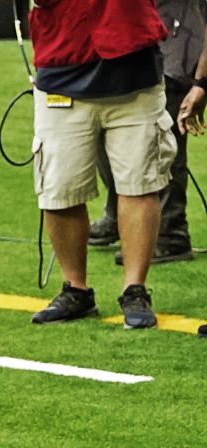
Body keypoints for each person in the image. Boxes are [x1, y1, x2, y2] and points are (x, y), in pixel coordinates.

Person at [29, 0, 175, 329]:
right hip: (61, 63)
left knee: (139, 183)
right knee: (60, 188)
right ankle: (75, 289)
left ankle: (134, 289)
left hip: (133, 70)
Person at [90, 0, 203, 265]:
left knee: (161, 146)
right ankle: (120, 214)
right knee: (103, 132)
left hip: (176, 46)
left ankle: (170, 234)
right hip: (126, 44)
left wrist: (200, 81)